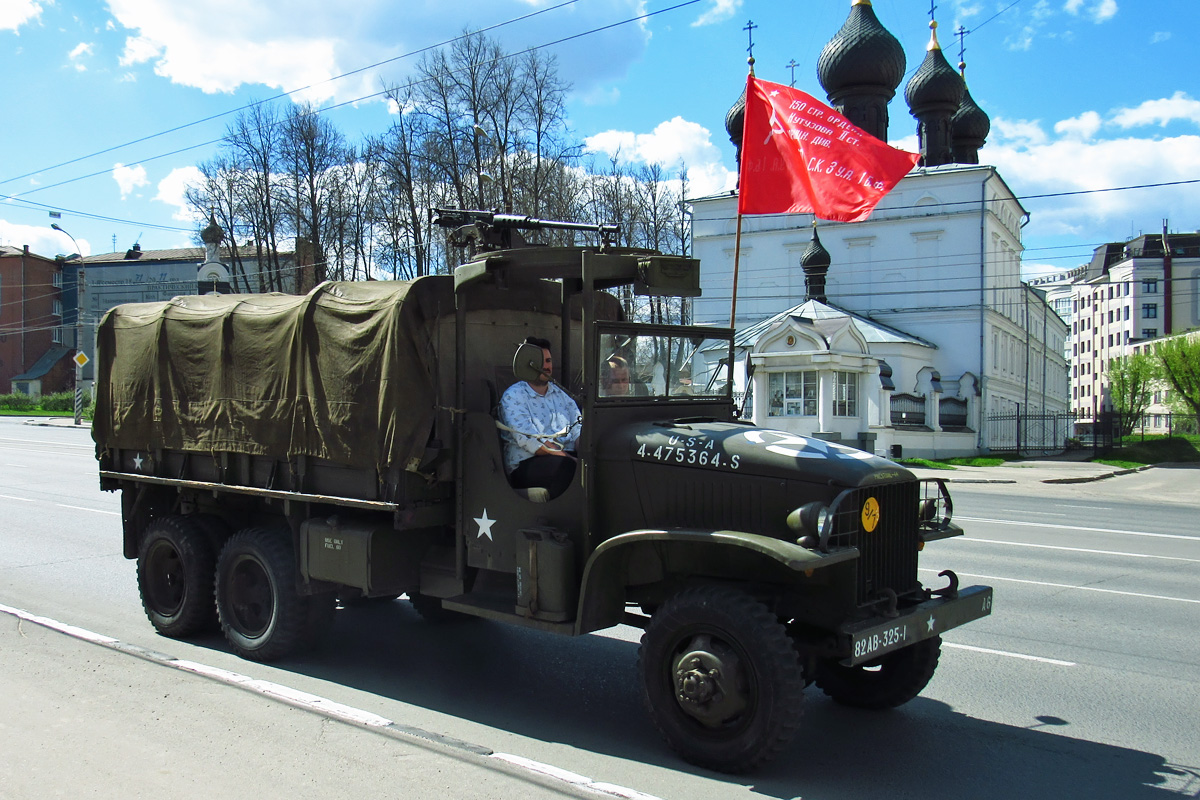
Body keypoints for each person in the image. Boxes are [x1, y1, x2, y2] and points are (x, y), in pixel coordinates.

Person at [498, 337, 581, 498]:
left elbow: (578, 427)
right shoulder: (514, 396)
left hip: (564, 458)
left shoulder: (561, 395)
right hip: (526, 464)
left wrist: (587, 454)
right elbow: (532, 441)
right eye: (540, 361)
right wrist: (572, 460)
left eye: (548, 360)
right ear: (528, 363)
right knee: (566, 468)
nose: (546, 366)